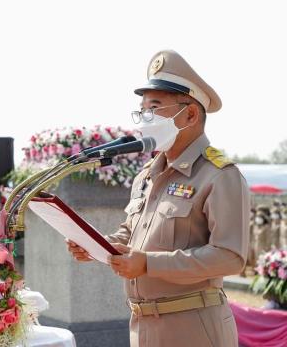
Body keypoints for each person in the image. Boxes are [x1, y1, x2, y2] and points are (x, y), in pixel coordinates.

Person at [67, 50, 250, 346]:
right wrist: (97, 245)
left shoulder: (219, 175)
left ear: (189, 114)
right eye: (142, 108)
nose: (145, 117)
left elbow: (230, 257)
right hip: (143, 326)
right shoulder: (148, 175)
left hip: (194, 327)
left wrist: (149, 264)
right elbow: (132, 233)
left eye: (155, 106)